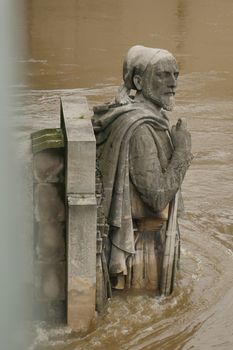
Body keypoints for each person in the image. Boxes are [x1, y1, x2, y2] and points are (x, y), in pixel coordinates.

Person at [93, 45, 193, 294]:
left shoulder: (146, 120)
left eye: (176, 75)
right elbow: (157, 198)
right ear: (138, 81)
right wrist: (182, 152)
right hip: (142, 253)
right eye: (162, 75)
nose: (172, 84)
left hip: (149, 244)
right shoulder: (140, 129)